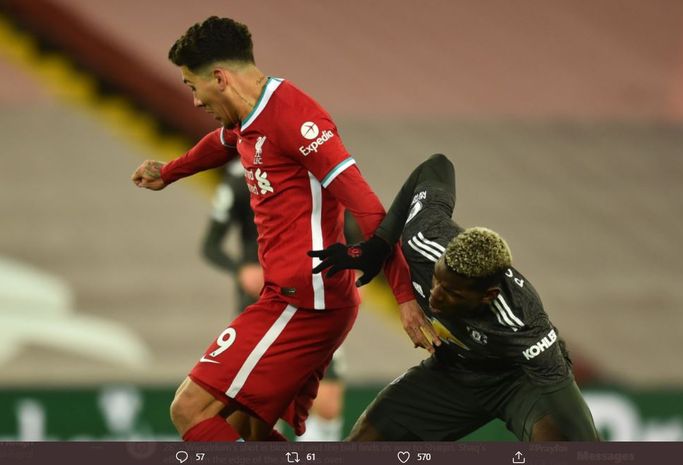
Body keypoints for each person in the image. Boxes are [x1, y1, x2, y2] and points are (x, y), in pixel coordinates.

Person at [130, 16, 416, 442]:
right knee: (245, 429)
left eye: (192, 86)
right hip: (287, 297)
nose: (193, 102)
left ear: (220, 77)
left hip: (307, 304)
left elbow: (371, 211)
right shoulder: (248, 117)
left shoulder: (297, 121)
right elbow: (223, 141)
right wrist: (171, 172)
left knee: (190, 410)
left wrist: (406, 299)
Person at [310, 154, 599, 441]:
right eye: (437, 280)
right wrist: (381, 243)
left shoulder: (523, 323)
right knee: (364, 443)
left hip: (519, 381)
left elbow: (564, 399)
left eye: (452, 293)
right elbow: (437, 165)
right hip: (456, 371)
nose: (436, 296)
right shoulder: (423, 237)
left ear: (488, 295)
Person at [201, 159, 346, 441]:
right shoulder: (240, 178)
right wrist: (240, 269)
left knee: (327, 403)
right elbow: (210, 245)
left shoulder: (317, 172)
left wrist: (354, 269)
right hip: (263, 305)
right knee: (262, 406)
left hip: (316, 304)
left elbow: (350, 233)